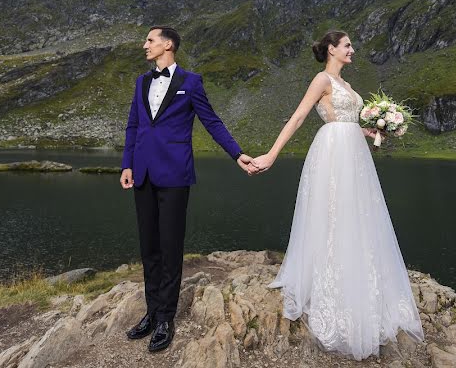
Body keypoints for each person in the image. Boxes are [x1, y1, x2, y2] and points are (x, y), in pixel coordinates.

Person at [250, 30, 424, 360]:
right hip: (332, 151)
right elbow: (301, 116)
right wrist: (271, 155)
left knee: (356, 213)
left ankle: (358, 275)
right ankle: (331, 281)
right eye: (347, 45)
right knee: (332, 212)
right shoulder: (321, 79)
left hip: (354, 151)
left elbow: (345, 120)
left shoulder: (347, 86)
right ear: (332, 49)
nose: (352, 50)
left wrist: (369, 129)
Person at [120, 26, 255, 353]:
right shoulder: (141, 81)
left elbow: (212, 121)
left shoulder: (191, 82)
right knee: (149, 247)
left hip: (175, 176)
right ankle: (151, 313)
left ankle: (166, 318)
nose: (145, 45)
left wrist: (237, 153)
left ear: (168, 44)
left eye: (150, 40)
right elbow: (134, 126)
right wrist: (127, 165)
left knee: (169, 247)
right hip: (142, 174)